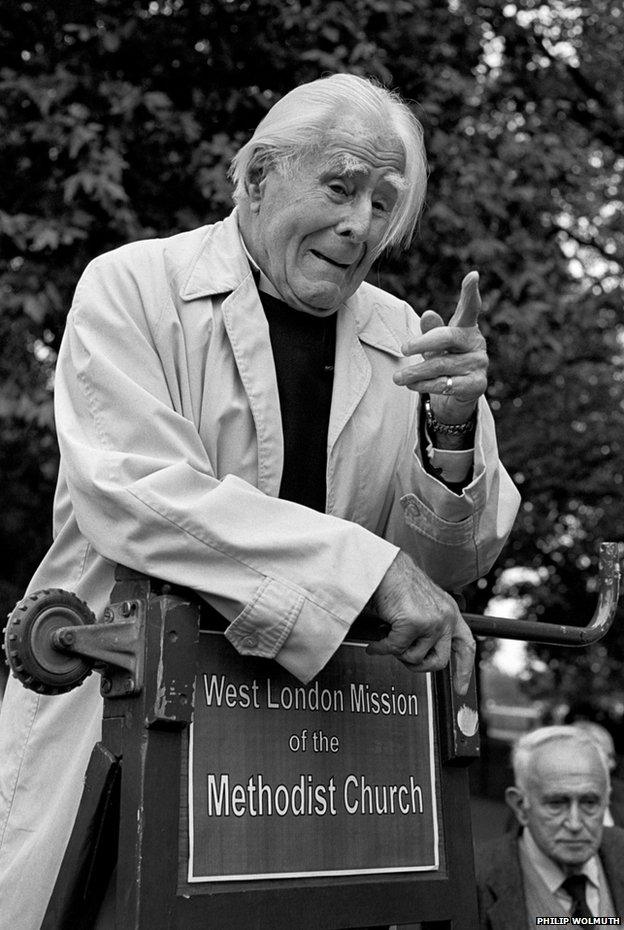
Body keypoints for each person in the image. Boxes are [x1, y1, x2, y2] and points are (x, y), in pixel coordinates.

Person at [0, 74, 519, 928]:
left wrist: (454, 438)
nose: (362, 225)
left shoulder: (411, 342)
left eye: (384, 204)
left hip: (321, 763)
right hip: (129, 723)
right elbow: (136, 495)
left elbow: (439, 581)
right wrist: (370, 570)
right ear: (255, 177)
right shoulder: (132, 286)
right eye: (341, 187)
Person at [475, 726, 624, 928]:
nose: (575, 823)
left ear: (606, 799)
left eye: (589, 803)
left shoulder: (619, 851)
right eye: (556, 804)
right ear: (520, 807)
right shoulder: (476, 882)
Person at [572, 720, 624, 828]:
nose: (613, 764)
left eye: (613, 756)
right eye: (607, 756)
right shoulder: (555, 798)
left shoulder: (620, 792)